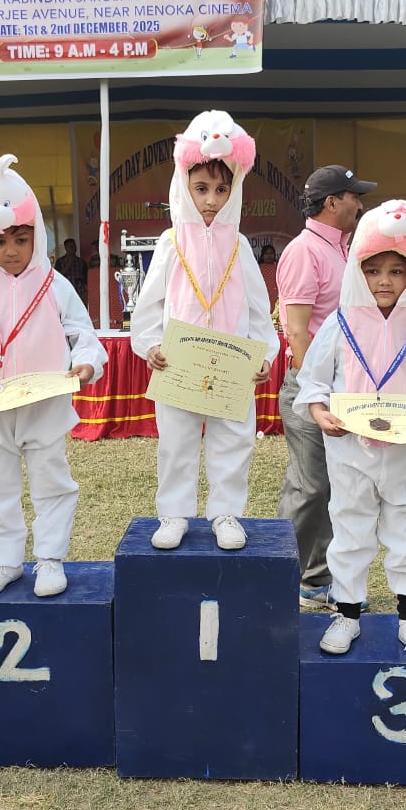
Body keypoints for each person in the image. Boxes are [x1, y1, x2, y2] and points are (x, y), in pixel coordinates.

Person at [0, 140, 106, 599]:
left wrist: (85, 363)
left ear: (37, 235)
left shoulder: (55, 285)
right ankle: (5, 560)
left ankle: (50, 558)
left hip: (44, 405)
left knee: (52, 482)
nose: (10, 251)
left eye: (20, 239)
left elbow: (82, 333)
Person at [295, 199, 406, 660]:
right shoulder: (340, 323)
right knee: (350, 530)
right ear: (357, 272)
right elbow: (313, 380)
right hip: (350, 451)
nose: (384, 281)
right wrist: (319, 412)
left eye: (396, 271)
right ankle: (347, 615)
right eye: (373, 271)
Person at [130, 109, 277, 551]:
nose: (211, 200)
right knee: (176, 441)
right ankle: (174, 513)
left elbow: (259, 309)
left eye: (221, 189)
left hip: (232, 366)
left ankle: (226, 512)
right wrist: (150, 344)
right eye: (201, 189)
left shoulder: (240, 245)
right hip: (179, 364)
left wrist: (264, 355)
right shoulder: (170, 242)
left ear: (234, 190)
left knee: (233, 440)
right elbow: (150, 305)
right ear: (183, 185)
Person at [275, 165, 376, 610]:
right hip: (312, 386)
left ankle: (316, 579)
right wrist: (313, 389)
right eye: (354, 196)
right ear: (332, 202)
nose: (360, 203)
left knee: (337, 487)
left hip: (345, 386)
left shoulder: (343, 249)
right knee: (309, 487)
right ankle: (278, 578)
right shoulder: (304, 251)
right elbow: (297, 330)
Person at [53, 237, 89, 302]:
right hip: (66, 292)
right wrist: (69, 264)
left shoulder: (81, 262)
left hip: (80, 292)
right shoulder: (60, 261)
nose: (73, 248)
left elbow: (86, 279)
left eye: (74, 246)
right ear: (66, 248)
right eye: (71, 246)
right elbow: (57, 277)